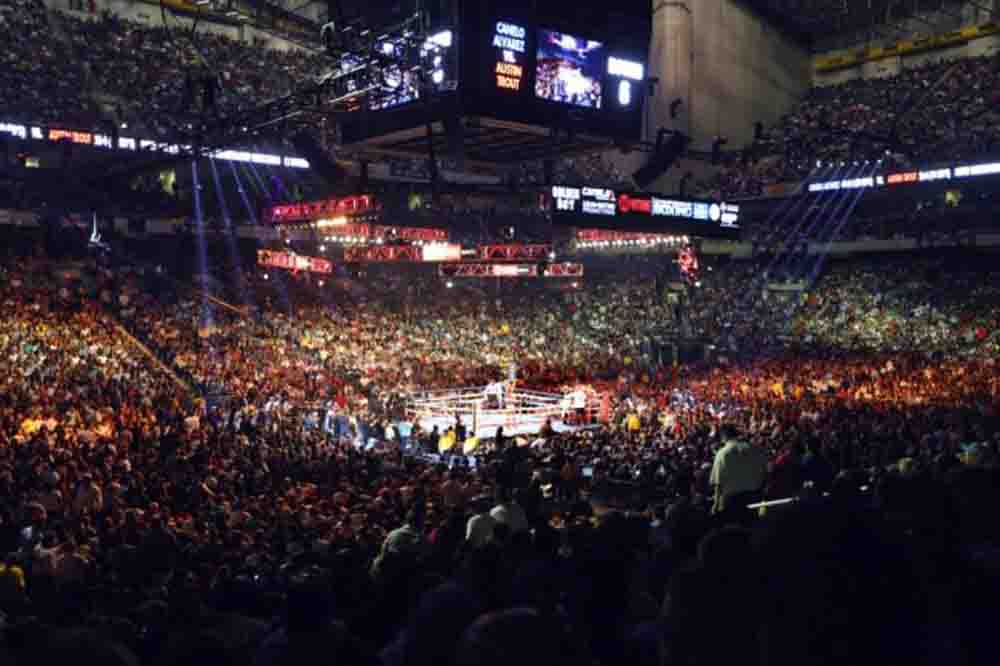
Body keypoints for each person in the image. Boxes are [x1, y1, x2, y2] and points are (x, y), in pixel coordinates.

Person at [709, 424, 768, 519]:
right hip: (753, 497)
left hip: (732, 500)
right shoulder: (754, 448)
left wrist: (715, 505)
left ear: (723, 436)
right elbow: (765, 472)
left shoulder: (722, 453)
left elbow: (718, 482)